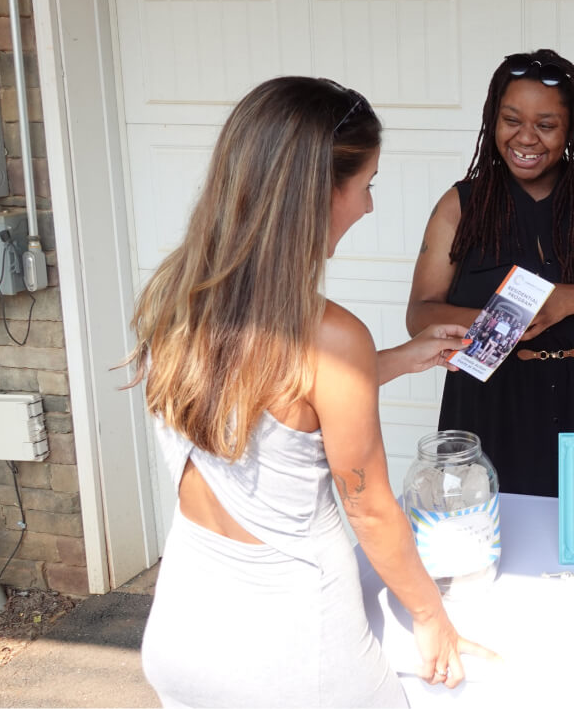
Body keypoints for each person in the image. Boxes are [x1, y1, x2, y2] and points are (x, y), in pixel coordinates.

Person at [124, 77, 494, 707]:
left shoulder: (176, 293)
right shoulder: (329, 335)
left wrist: (399, 360)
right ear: (320, 193)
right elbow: (371, 510)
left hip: (183, 627)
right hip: (294, 651)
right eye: (368, 184)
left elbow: (270, 405)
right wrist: (431, 616)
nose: (371, 206)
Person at [406, 49, 574, 497]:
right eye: (511, 121)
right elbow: (420, 315)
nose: (526, 138)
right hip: (492, 401)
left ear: (571, 130)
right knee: (491, 536)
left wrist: (567, 300)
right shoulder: (460, 205)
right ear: (493, 121)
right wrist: (505, 320)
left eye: (546, 126)